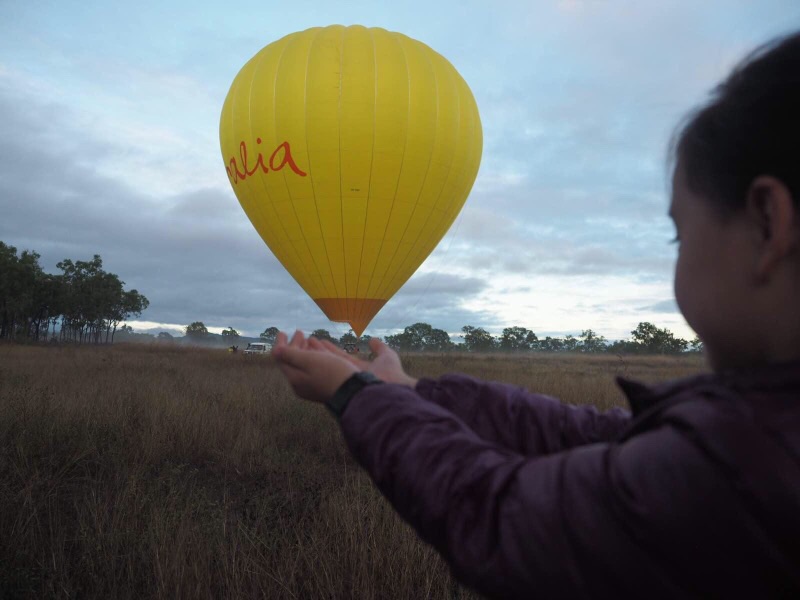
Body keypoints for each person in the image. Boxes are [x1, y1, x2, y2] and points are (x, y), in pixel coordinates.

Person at [272, 32, 800, 599]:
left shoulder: (740, 470)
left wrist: (356, 397)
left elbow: (498, 516)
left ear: (767, 224)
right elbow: (600, 437)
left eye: (679, 233)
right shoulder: (754, 435)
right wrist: (409, 390)